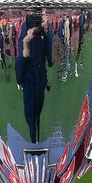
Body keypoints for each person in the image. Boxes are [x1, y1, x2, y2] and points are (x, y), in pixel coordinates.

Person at [16, 13, 53, 143]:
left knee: (39, 116)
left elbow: (50, 58)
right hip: (30, 87)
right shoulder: (24, 39)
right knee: (30, 117)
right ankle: (33, 143)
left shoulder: (43, 38)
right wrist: (25, 47)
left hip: (40, 84)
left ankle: (38, 140)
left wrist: (47, 32)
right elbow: (19, 77)